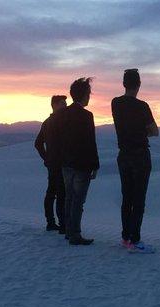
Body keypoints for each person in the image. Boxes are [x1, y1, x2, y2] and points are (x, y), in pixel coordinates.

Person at [111, 68, 159, 253]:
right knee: (138, 200)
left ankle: (125, 237)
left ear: (124, 84)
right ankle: (135, 239)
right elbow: (155, 132)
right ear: (139, 84)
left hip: (123, 155)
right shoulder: (142, 106)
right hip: (140, 156)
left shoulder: (115, 103)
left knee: (127, 197)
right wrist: (141, 131)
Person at [61, 78, 99, 245]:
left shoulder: (62, 114)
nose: (89, 97)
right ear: (84, 95)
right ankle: (75, 234)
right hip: (82, 165)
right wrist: (95, 165)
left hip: (66, 164)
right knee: (78, 201)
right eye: (89, 94)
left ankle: (69, 231)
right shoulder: (86, 115)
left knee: (69, 198)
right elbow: (91, 141)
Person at [34, 95, 68, 233]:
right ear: (54, 105)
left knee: (52, 193)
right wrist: (47, 158)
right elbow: (38, 144)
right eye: (62, 103)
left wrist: (47, 159)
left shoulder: (47, 122)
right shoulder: (60, 122)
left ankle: (52, 223)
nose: (65, 105)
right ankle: (61, 225)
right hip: (60, 164)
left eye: (66, 103)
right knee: (60, 194)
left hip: (53, 164)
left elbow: (38, 144)